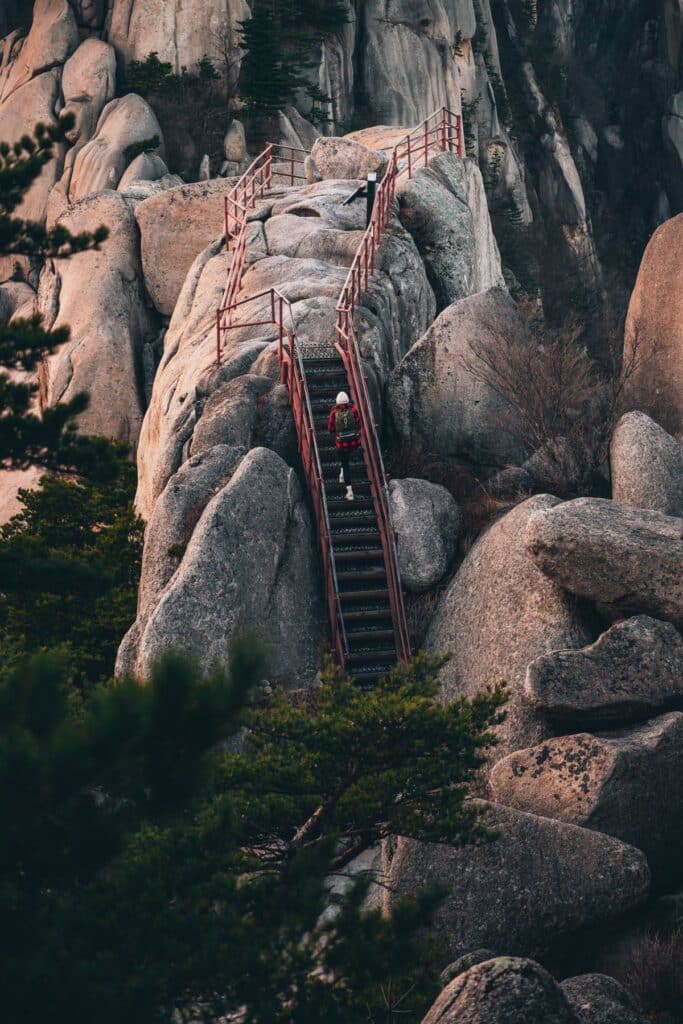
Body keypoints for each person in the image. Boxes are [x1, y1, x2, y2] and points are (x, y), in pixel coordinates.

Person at [328, 390, 361, 501]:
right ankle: (342, 472)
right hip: (353, 443)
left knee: (345, 464)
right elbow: (358, 425)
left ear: (337, 402)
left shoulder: (334, 412)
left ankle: (350, 492)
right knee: (346, 459)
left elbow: (330, 429)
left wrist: (337, 433)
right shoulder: (354, 410)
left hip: (341, 443)